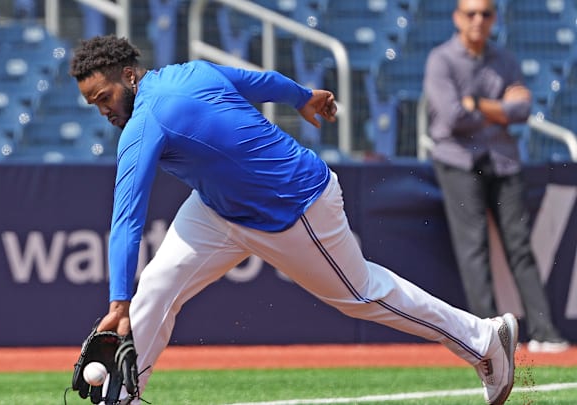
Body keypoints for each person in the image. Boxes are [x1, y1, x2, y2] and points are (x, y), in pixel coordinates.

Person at [69, 34, 518, 405]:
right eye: (93, 103)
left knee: (362, 294)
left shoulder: (144, 123)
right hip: (218, 208)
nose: (103, 109)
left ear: (129, 75)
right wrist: (304, 97)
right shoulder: (193, 71)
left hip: (294, 206)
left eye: (104, 96)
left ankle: (482, 338)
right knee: (157, 288)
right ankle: (122, 399)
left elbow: (126, 219)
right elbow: (260, 82)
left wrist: (116, 304)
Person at [423, 0, 569, 354]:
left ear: (494, 19)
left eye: (486, 13)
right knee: (473, 249)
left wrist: (478, 103)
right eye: (471, 13)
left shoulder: (505, 58)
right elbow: (453, 116)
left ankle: (545, 332)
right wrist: (498, 108)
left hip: (503, 162)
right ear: (457, 18)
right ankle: (490, 339)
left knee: (520, 248)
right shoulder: (441, 59)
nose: (478, 20)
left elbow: (522, 110)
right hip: (458, 162)